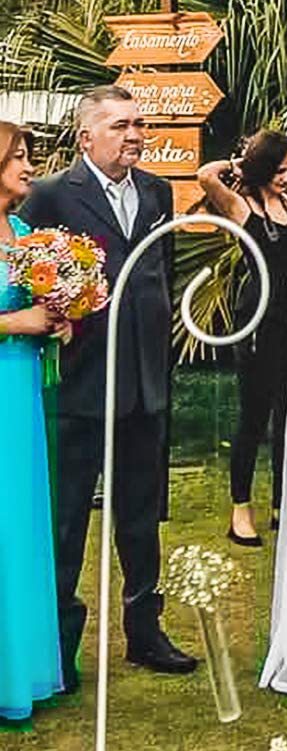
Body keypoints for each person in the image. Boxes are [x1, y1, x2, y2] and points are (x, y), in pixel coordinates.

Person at [20, 86, 197, 684]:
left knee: (142, 517)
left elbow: (159, 271)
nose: (134, 135)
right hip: (79, 384)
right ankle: (60, 646)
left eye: (138, 124)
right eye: (120, 126)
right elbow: (26, 275)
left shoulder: (157, 192)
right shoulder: (49, 196)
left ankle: (145, 632)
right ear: (86, 136)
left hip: (145, 380)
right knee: (67, 520)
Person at [197, 130, 287, 547]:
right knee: (253, 416)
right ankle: (240, 509)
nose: (286, 177)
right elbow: (206, 175)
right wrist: (241, 165)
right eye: (278, 169)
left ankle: (285, 502)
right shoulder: (243, 206)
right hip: (259, 316)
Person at [0, 123, 69, 721]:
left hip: (23, 391)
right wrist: (12, 324)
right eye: (17, 157)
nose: (29, 166)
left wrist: (56, 322)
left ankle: (21, 669)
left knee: (21, 519)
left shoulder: (25, 234)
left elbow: (40, 307)